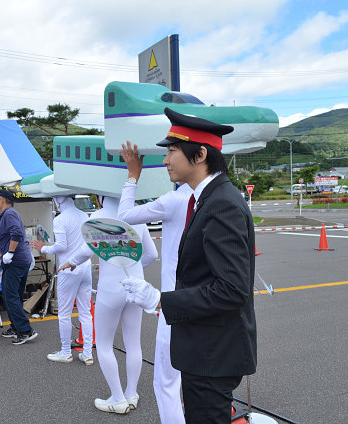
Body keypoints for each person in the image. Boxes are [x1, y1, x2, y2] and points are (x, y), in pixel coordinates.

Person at [120, 108, 257, 424]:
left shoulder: (221, 204)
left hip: (214, 353)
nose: (166, 160)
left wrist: (159, 300)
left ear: (200, 155)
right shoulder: (206, 198)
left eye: (171, 151)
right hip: (205, 347)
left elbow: (232, 289)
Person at [59, 196, 158, 414]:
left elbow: (87, 251)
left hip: (110, 289)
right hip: (136, 287)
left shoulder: (98, 216)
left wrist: (71, 262)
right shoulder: (137, 215)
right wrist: (134, 267)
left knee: (104, 344)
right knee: (134, 343)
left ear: (100, 195)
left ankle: (117, 398)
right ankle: (132, 394)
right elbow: (152, 254)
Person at [118, 140, 191, 424]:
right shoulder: (218, 197)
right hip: (201, 301)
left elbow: (124, 216)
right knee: (196, 380)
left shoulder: (174, 200)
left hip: (173, 304)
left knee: (166, 382)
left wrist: (132, 175)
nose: (165, 161)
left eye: (171, 153)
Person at [29, 196, 94, 365]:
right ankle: (87, 353)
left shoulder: (60, 219)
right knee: (85, 312)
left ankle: (66, 352)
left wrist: (43, 247)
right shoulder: (84, 216)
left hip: (68, 268)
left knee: (64, 313)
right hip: (85, 267)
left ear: (59, 201)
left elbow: (61, 246)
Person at [0, 189, 38, 345]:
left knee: (9, 296)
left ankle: (25, 330)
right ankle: (16, 327)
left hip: (15, 261)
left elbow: (17, 233)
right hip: (20, 260)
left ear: (2, 200)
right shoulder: (9, 214)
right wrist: (3, 254)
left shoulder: (9, 214)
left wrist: (10, 253)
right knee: (15, 295)